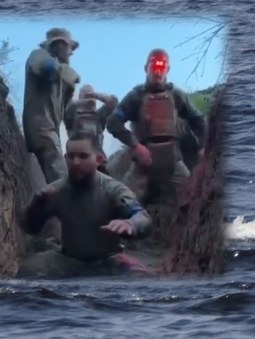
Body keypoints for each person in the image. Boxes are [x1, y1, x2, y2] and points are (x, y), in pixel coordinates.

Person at [17, 131, 153, 278]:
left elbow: (142, 217)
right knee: (29, 270)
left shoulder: (112, 189)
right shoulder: (55, 191)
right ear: (65, 158)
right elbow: (29, 227)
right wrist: (36, 206)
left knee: (139, 276)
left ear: (98, 159)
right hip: (69, 261)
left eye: (83, 156)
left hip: (108, 261)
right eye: (71, 156)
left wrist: (131, 224)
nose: (76, 162)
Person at [106, 48, 208, 206]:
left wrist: (202, 146)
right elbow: (113, 122)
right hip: (143, 163)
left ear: (168, 69)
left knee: (194, 197)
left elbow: (198, 119)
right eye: (154, 66)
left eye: (162, 67)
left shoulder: (176, 95)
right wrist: (135, 146)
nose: (158, 72)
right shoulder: (136, 96)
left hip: (173, 162)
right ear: (146, 68)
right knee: (122, 203)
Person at [23, 27, 81, 187]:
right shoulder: (39, 55)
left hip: (51, 133)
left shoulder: (65, 79)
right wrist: (68, 72)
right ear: (60, 45)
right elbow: (46, 68)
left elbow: (68, 114)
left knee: (60, 179)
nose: (71, 53)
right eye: (69, 48)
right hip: (41, 129)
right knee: (61, 180)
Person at [63, 84, 118, 172]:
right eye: (85, 94)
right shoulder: (73, 116)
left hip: (97, 156)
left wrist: (95, 95)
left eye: (91, 94)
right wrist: (83, 101)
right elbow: (67, 109)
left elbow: (113, 102)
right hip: (77, 156)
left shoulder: (99, 116)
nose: (89, 98)